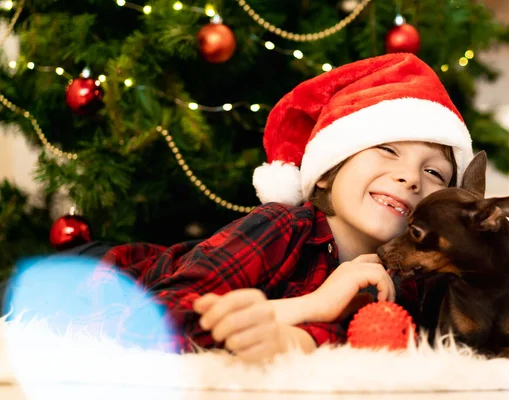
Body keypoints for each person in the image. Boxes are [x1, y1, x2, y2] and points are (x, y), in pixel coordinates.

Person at [9, 53, 474, 363]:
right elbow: (153, 323)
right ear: (329, 170)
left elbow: (366, 348)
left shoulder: (407, 283)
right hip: (93, 280)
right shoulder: (284, 226)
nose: (411, 178)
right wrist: (313, 305)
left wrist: (293, 340)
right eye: (387, 150)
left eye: (434, 172)